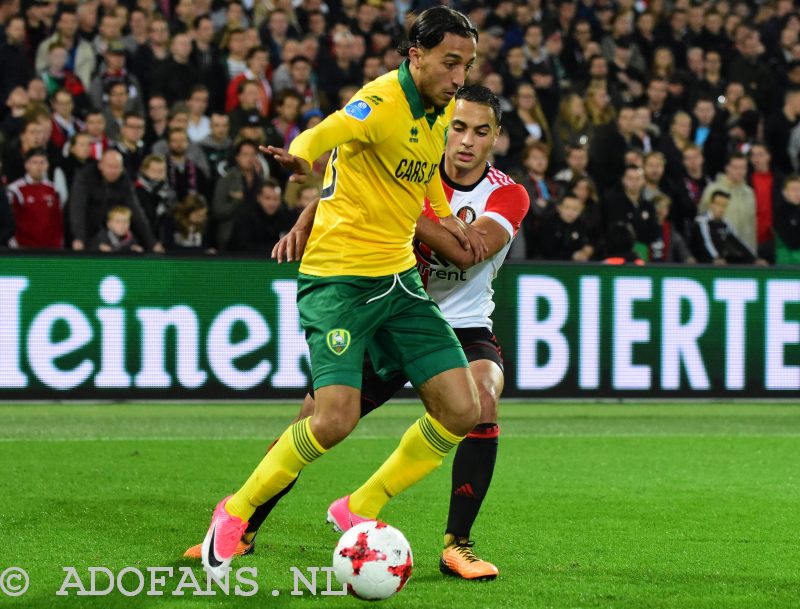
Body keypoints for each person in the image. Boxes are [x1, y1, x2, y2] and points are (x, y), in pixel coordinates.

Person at [185, 84, 528, 580]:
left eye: (480, 131)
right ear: (445, 127)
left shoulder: (506, 192)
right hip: (379, 303)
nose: (466, 141)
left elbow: (468, 251)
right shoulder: (412, 158)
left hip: (459, 318)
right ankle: (245, 522)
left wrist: (392, 210)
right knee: (319, 418)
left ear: (496, 137)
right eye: (457, 127)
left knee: (480, 397)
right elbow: (345, 181)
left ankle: (457, 544)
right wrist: (310, 215)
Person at [7, 148, 62, 249]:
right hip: (23, 248)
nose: (39, 167)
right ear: (27, 165)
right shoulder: (16, 189)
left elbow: (57, 220)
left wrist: (58, 244)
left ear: (47, 165)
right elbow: (10, 221)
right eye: (35, 162)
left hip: (50, 249)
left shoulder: (53, 189)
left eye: (42, 163)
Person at [690, 190, 762, 264]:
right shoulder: (701, 221)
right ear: (711, 204)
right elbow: (706, 242)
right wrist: (716, 257)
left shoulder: (725, 223)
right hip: (701, 264)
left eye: (724, 205)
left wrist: (754, 258)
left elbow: (738, 242)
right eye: (718, 204)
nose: (721, 209)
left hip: (719, 263)